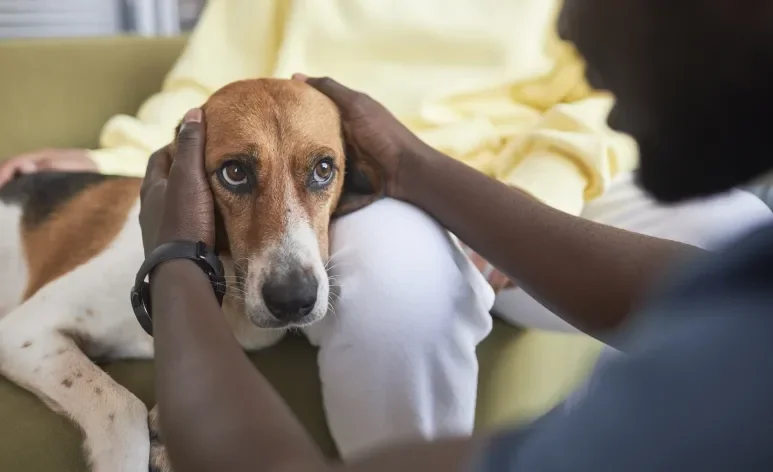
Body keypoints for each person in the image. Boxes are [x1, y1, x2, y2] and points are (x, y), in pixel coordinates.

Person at [3, 0, 771, 439]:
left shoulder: (611, 32)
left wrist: (529, 199)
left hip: (559, 172)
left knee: (735, 239)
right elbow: (214, 99)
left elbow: (611, 87)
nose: (565, 25)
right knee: (393, 286)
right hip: (373, 189)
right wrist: (129, 157)